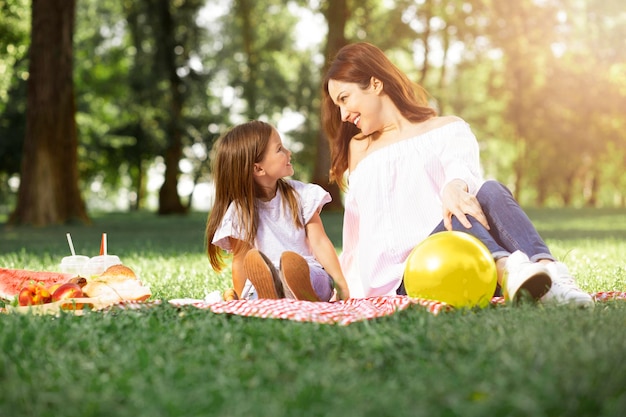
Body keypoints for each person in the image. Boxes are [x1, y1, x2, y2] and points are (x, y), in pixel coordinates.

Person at [321, 42, 593, 308]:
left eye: (344, 99)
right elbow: (355, 233)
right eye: (338, 106)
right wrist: (343, 287)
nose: (343, 114)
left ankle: (550, 274)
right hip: (409, 276)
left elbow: (464, 170)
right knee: (456, 212)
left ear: (375, 84)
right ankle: (511, 269)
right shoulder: (360, 149)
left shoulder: (447, 128)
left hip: (463, 262)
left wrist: (454, 186)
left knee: (490, 190)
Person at [205, 120, 349, 302]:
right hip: (265, 276)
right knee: (256, 289)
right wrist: (241, 299)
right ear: (258, 168)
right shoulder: (240, 212)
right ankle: (275, 293)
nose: (288, 152)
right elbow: (242, 261)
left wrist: (340, 283)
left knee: (315, 277)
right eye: (279, 149)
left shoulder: (302, 195)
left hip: (307, 270)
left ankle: (291, 290)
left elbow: (320, 242)